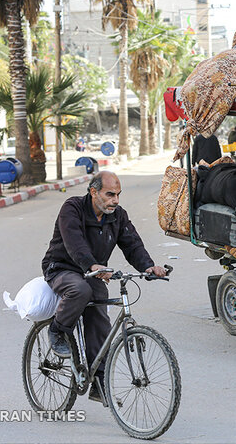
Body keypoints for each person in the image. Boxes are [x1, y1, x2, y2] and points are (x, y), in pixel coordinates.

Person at [41, 171, 166, 402]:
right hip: (62, 268)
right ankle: (58, 330)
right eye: (110, 195)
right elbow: (74, 243)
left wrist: (148, 267)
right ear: (93, 192)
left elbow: (132, 244)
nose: (115, 200)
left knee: (100, 319)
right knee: (81, 290)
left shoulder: (118, 216)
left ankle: (99, 381)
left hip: (94, 273)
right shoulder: (72, 208)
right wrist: (92, 264)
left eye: (118, 195)